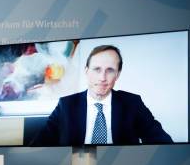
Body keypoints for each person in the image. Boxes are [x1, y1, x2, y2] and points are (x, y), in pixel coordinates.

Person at [30, 45, 172, 146]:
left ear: (117, 75)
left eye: (110, 70)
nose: (102, 78)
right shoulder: (66, 105)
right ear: (87, 71)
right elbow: (39, 144)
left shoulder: (132, 103)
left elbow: (161, 141)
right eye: (97, 69)